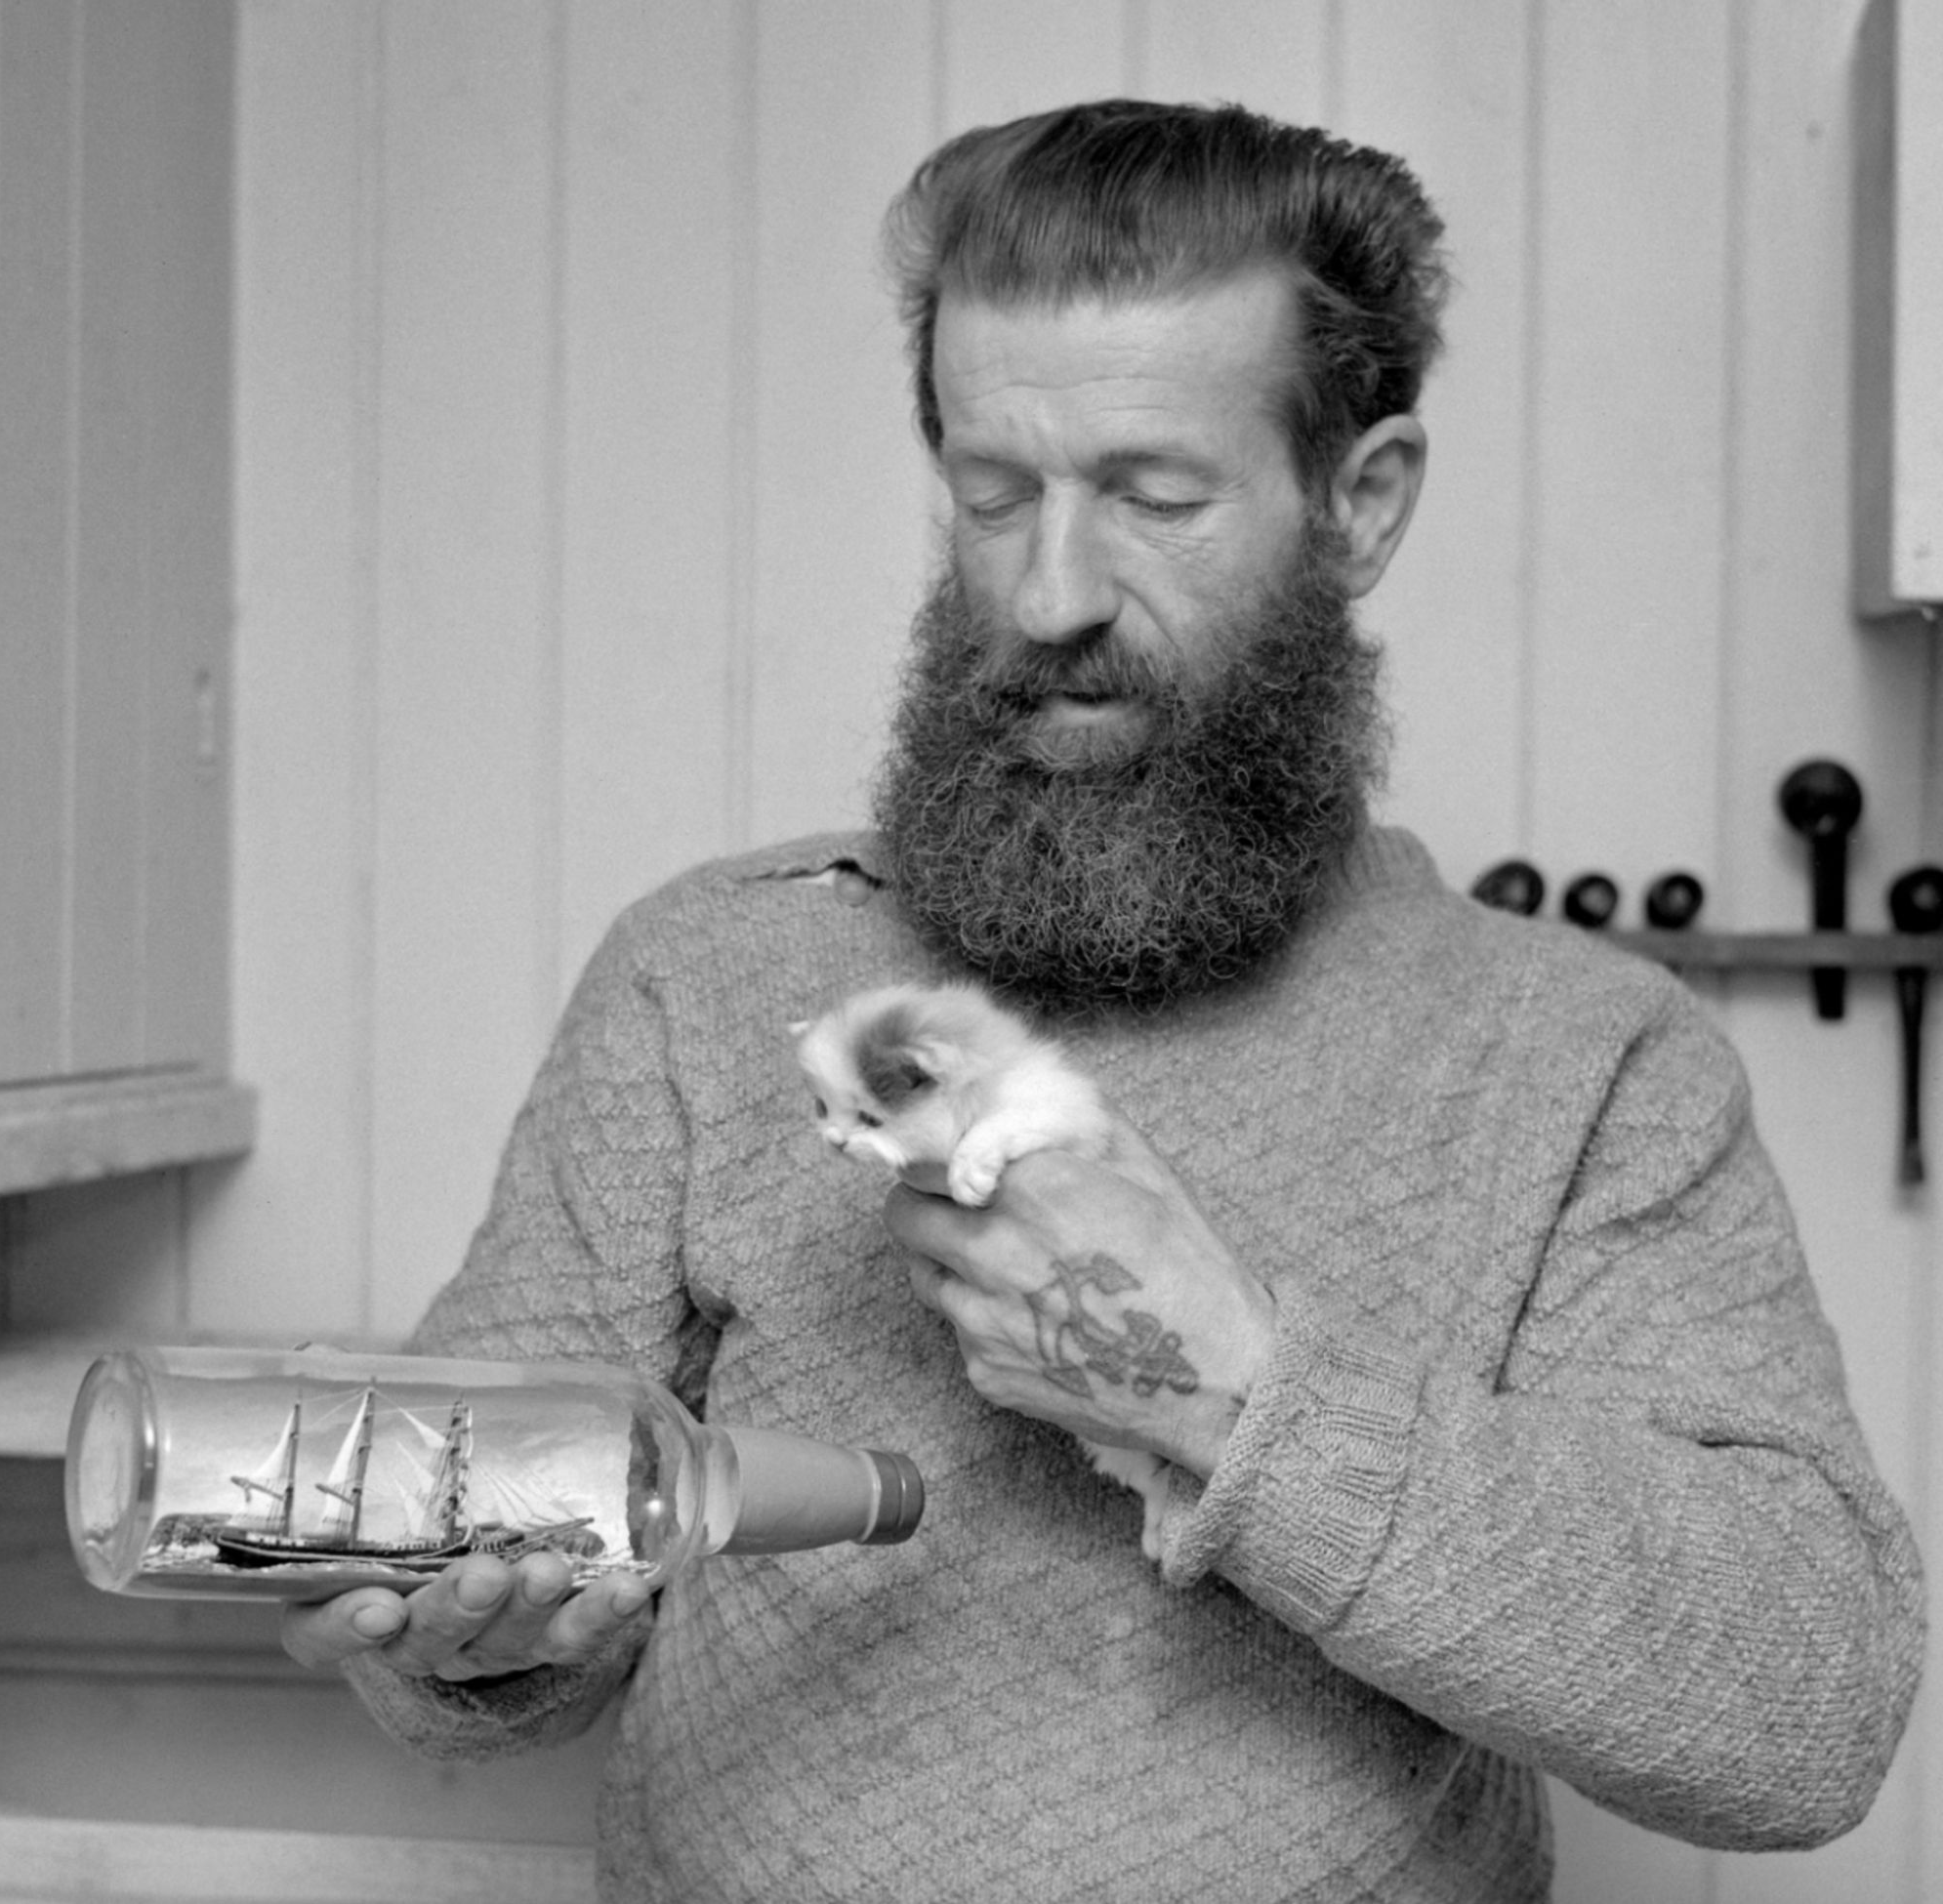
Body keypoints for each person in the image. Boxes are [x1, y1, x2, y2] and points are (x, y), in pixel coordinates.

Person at [284, 101, 1924, 1902]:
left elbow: (1806, 1713)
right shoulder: (707, 972)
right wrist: (485, 1641)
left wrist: (1230, 1384)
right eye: (994, 494)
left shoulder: (1584, 1061)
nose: (1048, 594)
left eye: (1152, 498)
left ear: (1359, 503)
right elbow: (453, 1610)